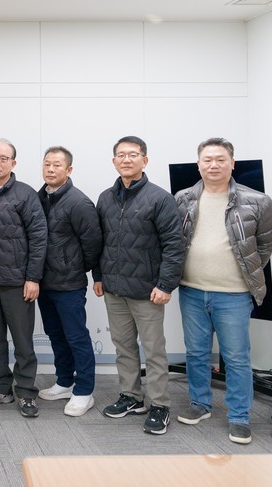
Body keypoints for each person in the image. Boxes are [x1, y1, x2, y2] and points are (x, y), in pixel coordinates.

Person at [175, 138, 272, 445]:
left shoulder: (257, 201)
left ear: (232, 164)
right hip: (191, 291)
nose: (214, 165)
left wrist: (245, 271)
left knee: (235, 358)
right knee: (196, 353)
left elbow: (266, 243)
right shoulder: (182, 199)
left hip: (233, 294)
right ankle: (200, 404)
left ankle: (239, 417)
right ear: (198, 165)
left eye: (220, 159)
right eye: (207, 160)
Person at [93, 135, 184, 435]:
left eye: (133, 154)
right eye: (121, 154)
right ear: (114, 161)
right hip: (114, 288)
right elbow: (99, 242)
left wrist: (166, 285)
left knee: (154, 350)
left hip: (148, 291)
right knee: (123, 347)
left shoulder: (160, 198)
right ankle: (131, 396)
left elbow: (174, 245)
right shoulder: (105, 198)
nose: (126, 159)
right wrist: (98, 276)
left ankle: (160, 405)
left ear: (145, 160)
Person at [0, 139, 47, 418]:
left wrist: (33, 278)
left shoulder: (25, 194)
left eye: (4, 159)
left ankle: (26, 392)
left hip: (17, 281)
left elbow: (39, 238)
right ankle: (0, 388)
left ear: (13, 163)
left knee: (23, 341)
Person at [36, 147, 102, 417]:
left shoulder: (79, 202)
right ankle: (64, 382)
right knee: (55, 334)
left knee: (76, 337)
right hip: (43, 282)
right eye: (47, 164)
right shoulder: (38, 198)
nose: (51, 169)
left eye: (57, 165)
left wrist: (72, 267)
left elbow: (93, 245)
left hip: (69, 284)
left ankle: (84, 391)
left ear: (69, 169)